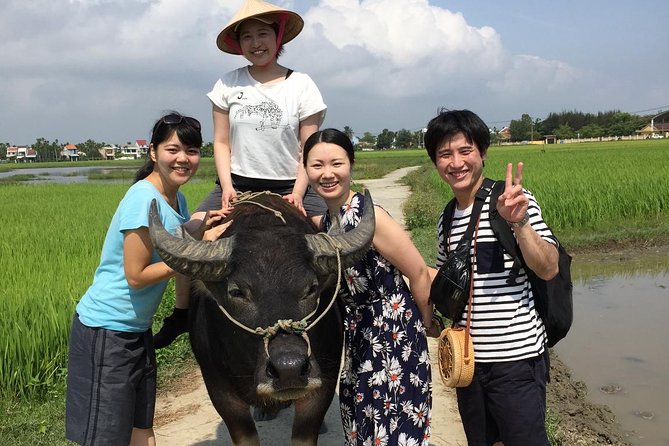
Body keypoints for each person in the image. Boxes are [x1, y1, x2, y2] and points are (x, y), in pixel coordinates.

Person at [154, 0, 327, 348]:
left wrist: (297, 191)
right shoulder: (227, 84)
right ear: (238, 45)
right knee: (190, 234)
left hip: (293, 184)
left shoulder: (303, 85)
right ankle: (183, 312)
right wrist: (229, 187)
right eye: (246, 36)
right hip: (239, 183)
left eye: (263, 33)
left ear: (278, 38)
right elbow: (220, 142)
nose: (255, 43)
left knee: (330, 239)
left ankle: (338, 311)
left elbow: (311, 150)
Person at [65, 112, 228, 445]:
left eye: (192, 150)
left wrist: (199, 227)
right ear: (153, 152)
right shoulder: (144, 199)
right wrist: (194, 251)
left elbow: (172, 235)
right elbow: (137, 275)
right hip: (107, 330)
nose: (184, 158)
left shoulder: (174, 197)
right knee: (106, 436)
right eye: (173, 149)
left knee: (142, 428)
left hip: (136, 331)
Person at [424, 109, 559, 446]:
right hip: (469, 365)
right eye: (445, 154)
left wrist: (519, 223)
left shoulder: (511, 201)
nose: (456, 163)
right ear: (435, 162)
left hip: (515, 363)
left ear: (483, 153)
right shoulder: (446, 219)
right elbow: (447, 281)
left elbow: (549, 267)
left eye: (465, 151)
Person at [303, 128, 439, 446]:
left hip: (393, 331)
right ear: (306, 170)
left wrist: (426, 322)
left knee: (393, 426)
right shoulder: (323, 223)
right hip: (358, 333)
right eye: (316, 165)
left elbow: (418, 272)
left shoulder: (371, 216)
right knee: (362, 420)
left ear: (350, 164)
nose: (327, 173)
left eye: (336, 163)